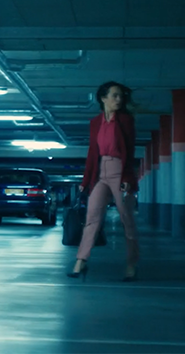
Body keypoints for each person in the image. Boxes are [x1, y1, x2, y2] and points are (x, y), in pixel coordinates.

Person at [68, 81, 139, 282]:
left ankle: (131, 264)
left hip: (120, 171)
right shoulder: (95, 123)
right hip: (101, 172)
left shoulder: (125, 121)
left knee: (127, 220)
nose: (119, 99)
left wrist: (127, 178)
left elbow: (130, 152)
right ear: (103, 98)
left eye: (121, 96)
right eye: (114, 95)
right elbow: (92, 153)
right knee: (92, 218)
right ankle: (80, 261)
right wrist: (86, 180)